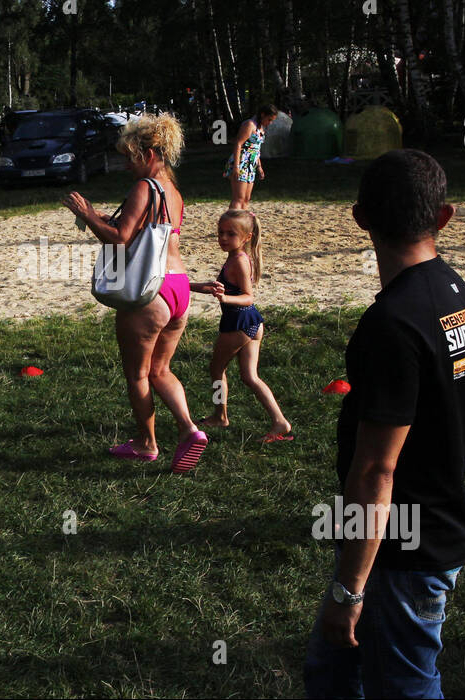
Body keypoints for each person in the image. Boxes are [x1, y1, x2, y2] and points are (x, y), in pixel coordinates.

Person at [304, 149, 465, 699]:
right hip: (418, 529)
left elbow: (376, 471)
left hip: (402, 550)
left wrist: (350, 590)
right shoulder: (456, 293)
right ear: (445, 216)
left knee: (405, 687)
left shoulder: (391, 324)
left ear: (360, 218)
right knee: (331, 673)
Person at [61, 113, 208, 473]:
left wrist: (87, 214)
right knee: (161, 369)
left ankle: (146, 443)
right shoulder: (174, 193)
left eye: (131, 157)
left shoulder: (144, 188)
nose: (127, 164)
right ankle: (190, 429)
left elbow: (121, 240)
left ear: (151, 154)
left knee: (138, 375)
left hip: (150, 292)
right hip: (178, 289)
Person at [191, 210, 293, 443]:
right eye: (220, 233)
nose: (223, 238)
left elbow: (248, 296)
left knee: (216, 369)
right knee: (250, 376)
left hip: (239, 322)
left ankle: (220, 415)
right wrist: (188, 285)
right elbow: (226, 288)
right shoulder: (237, 256)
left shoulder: (238, 261)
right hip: (251, 322)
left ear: (246, 237)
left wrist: (225, 299)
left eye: (230, 234)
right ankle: (280, 421)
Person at [223, 105, 277, 209]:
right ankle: (232, 222)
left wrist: (259, 167)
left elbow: (256, 149)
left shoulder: (260, 128)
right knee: (238, 198)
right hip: (242, 162)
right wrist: (236, 166)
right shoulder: (249, 125)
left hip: (251, 165)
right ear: (263, 115)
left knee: (246, 198)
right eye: (269, 119)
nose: (270, 123)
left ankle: (243, 222)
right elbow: (238, 143)